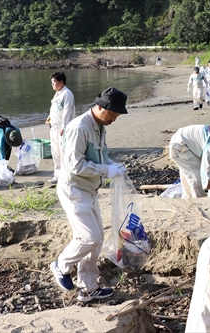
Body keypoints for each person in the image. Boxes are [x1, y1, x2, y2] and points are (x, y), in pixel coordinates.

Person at [49, 87, 128, 302]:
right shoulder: (79, 128)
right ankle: (61, 265)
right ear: (100, 107)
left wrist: (114, 166)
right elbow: (76, 166)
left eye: (117, 115)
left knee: (98, 239)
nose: (114, 119)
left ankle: (88, 288)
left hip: (90, 190)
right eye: (112, 114)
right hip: (74, 189)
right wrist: (106, 170)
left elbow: (101, 157)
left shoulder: (100, 127)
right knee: (88, 237)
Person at [45, 72, 76, 184]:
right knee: (55, 152)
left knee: (63, 152)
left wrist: (64, 127)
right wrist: (49, 117)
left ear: (61, 82)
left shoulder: (67, 94)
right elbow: (55, 108)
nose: (52, 85)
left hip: (62, 128)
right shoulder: (58, 93)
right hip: (54, 127)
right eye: (52, 83)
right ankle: (57, 175)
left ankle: (66, 175)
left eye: (54, 82)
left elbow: (67, 112)